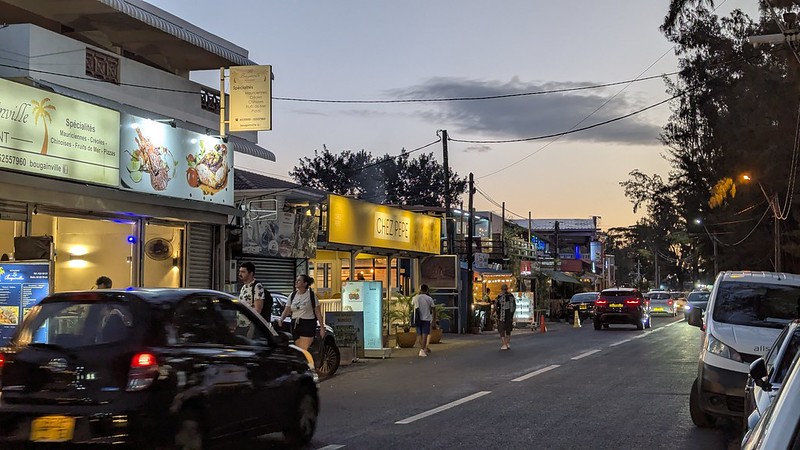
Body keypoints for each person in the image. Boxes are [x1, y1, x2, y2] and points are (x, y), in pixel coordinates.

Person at [279, 274, 325, 351]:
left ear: (305, 283)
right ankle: (305, 361)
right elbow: (287, 309)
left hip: (307, 324)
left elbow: (318, 313)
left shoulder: (311, 295)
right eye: (296, 280)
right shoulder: (292, 295)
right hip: (295, 325)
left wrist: (322, 327)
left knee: (302, 350)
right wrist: (282, 318)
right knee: (299, 350)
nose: (296, 281)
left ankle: (304, 362)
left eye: (299, 280)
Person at [413, 284, 435, 357]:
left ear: (420, 290)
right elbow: (433, 309)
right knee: (425, 334)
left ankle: (423, 348)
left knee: (419, 334)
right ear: (427, 290)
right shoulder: (429, 298)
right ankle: (423, 349)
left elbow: (413, 305)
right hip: (426, 318)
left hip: (417, 318)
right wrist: (434, 319)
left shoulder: (416, 298)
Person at [495, 284, 516, 350]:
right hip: (510, 316)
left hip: (502, 316)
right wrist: (512, 314)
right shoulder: (511, 296)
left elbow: (495, 306)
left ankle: (504, 344)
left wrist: (493, 313)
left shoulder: (499, 296)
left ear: (501, 289)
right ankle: (507, 343)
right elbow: (514, 306)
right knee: (508, 330)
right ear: (507, 289)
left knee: (501, 330)